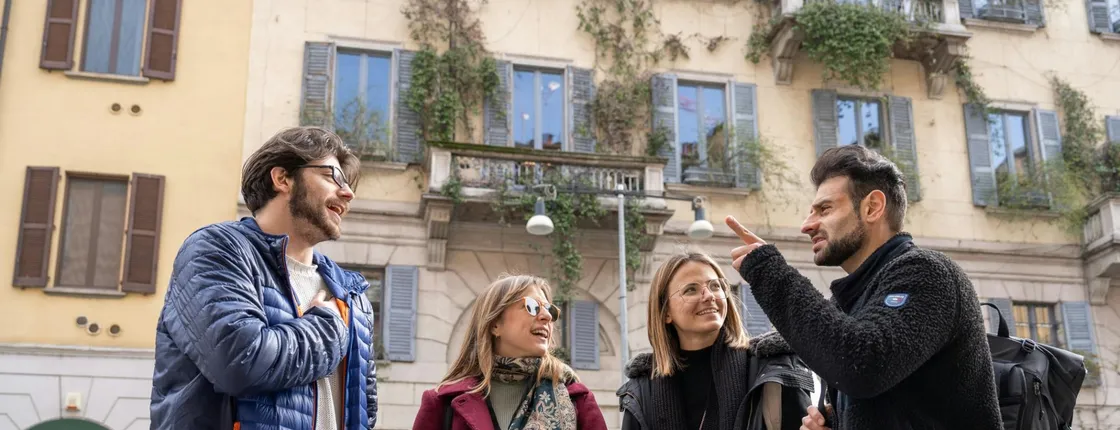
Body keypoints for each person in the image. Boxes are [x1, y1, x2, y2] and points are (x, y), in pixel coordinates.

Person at [725, 145, 1002, 429]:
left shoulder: (928, 273)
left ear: (872, 207)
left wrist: (769, 272)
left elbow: (862, 364)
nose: (806, 225)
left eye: (825, 209)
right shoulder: (860, 295)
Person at [150, 127, 379, 429]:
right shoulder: (217, 249)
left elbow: (364, 411)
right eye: (330, 176)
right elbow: (239, 363)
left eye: (347, 184)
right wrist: (327, 328)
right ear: (283, 178)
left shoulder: (352, 295)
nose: (347, 193)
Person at [617, 252, 814, 430]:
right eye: (691, 290)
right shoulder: (642, 391)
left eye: (715, 286)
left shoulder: (771, 369)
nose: (709, 296)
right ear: (666, 312)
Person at [411, 274, 608, 430]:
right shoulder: (442, 403)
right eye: (532, 307)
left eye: (549, 309)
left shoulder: (577, 398)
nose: (547, 316)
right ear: (495, 324)